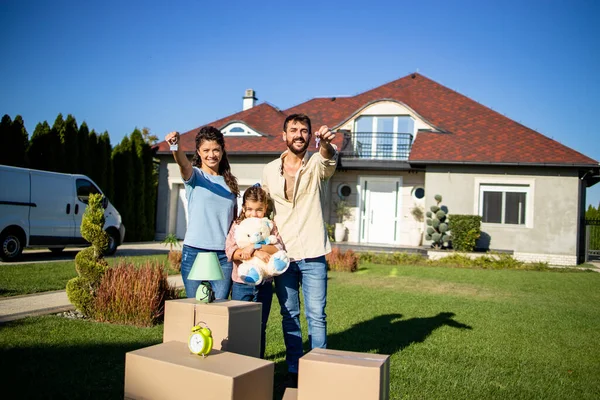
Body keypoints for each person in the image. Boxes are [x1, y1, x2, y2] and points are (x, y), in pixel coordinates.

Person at [261, 113, 337, 385]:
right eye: (293, 130)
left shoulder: (316, 163)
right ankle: (294, 370)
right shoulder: (270, 169)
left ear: (310, 136)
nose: (299, 135)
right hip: (284, 255)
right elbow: (265, 210)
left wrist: (326, 143)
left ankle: (319, 369)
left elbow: (329, 159)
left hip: (314, 252)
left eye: (304, 130)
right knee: (289, 314)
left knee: (316, 315)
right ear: (284, 135)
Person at [165, 126, 239, 300]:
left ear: (222, 151)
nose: (211, 155)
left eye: (216, 150)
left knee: (219, 306)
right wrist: (175, 146)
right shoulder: (195, 176)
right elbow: (183, 163)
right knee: (195, 306)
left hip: (222, 254)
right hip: (195, 252)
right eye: (206, 150)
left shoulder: (230, 183)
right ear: (198, 152)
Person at [225, 184, 284, 359]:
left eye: (259, 210)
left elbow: (278, 248)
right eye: (250, 209)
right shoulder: (237, 226)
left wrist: (257, 246)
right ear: (244, 208)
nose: (254, 214)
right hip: (241, 284)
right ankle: (236, 360)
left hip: (264, 285)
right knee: (237, 325)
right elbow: (231, 251)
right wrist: (255, 252)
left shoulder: (269, 227)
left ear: (265, 208)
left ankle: (257, 362)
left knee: (260, 325)